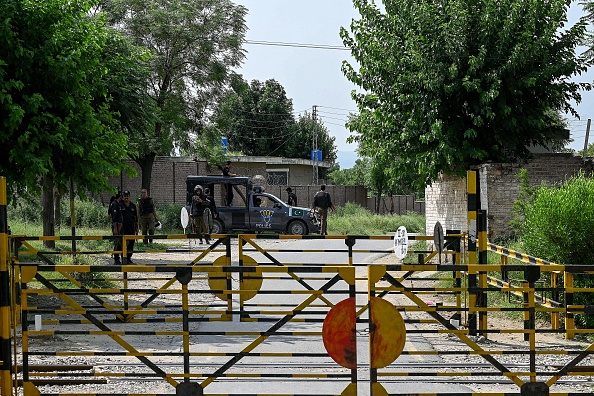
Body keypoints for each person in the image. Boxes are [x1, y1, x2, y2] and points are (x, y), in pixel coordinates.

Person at [120, 191, 139, 263]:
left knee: (131, 244)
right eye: (125, 196)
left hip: (131, 228)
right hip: (123, 228)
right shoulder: (120, 205)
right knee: (123, 244)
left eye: (127, 196)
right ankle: (123, 259)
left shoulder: (133, 206)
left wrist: (137, 228)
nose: (126, 197)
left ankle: (129, 258)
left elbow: (136, 218)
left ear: (129, 197)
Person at [108, 192, 123, 265]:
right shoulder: (114, 204)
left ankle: (117, 258)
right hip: (117, 227)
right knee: (117, 243)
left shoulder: (117, 204)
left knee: (119, 243)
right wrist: (115, 228)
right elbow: (114, 218)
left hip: (119, 226)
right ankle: (116, 258)